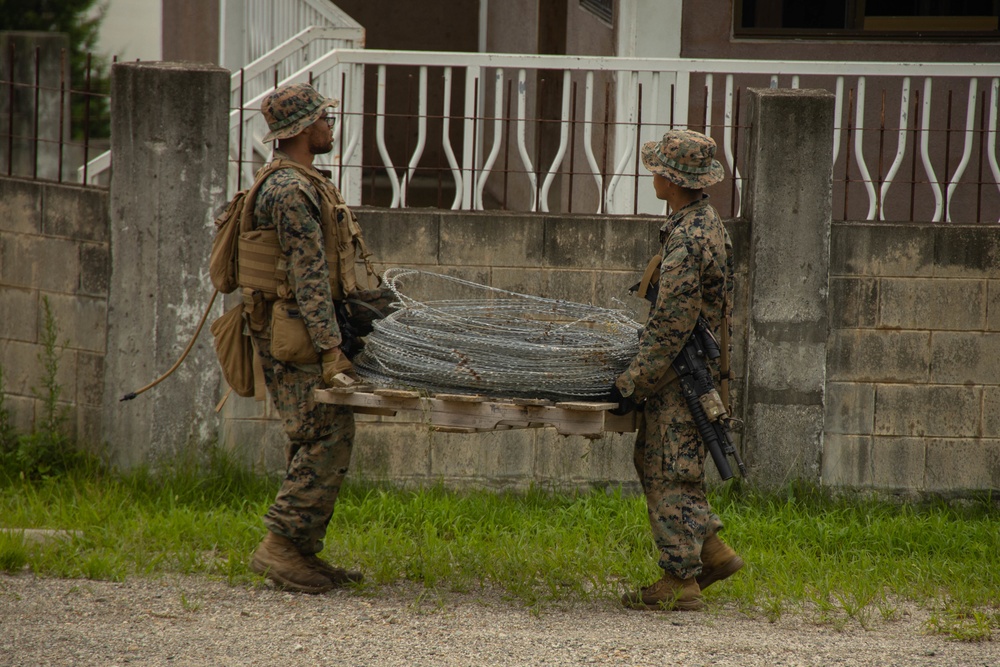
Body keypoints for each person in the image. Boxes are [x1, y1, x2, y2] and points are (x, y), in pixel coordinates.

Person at [610, 129, 744, 611]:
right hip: (685, 368)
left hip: (677, 374)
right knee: (663, 461)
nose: (652, 175)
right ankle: (710, 550)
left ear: (671, 178)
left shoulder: (688, 236)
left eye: (657, 169)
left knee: (669, 469)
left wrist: (632, 382)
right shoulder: (703, 221)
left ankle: (680, 581)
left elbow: (671, 324)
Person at [244, 82, 366, 594]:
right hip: (296, 333)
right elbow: (308, 274)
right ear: (300, 129)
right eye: (324, 119)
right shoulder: (291, 191)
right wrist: (330, 350)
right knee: (325, 433)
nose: (330, 126)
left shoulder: (297, 181)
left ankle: (298, 552)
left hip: (296, 328)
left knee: (313, 434)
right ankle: (279, 545)